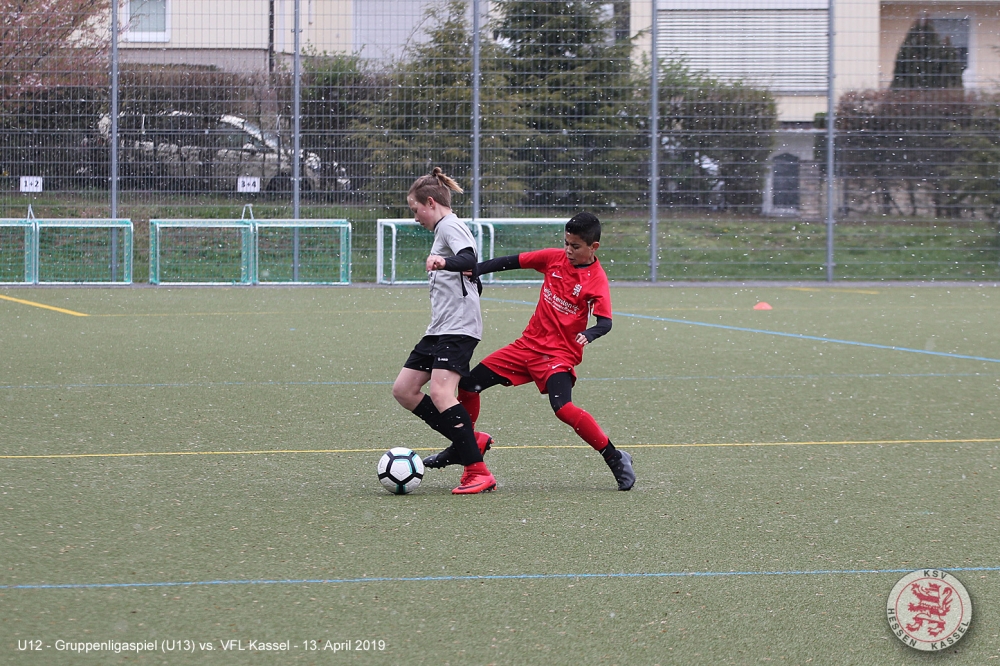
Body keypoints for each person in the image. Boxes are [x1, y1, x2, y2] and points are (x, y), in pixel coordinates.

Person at [423, 212, 635, 491]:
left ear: (593, 247)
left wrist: (590, 333)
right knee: (469, 385)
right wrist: (477, 269)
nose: (568, 251)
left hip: (558, 356)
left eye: (575, 246)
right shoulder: (553, 259)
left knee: (563, 409)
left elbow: (605, 322)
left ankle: (615, 457)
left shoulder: (596, 279)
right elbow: (512, 261)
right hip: (525, 347)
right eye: (566, 244)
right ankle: (466, 445)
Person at [391, 168, 497, 495]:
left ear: (430, 202)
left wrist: (443, 263)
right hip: (440, 329)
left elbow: (468, 258)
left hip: (458, 328)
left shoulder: (450, 225)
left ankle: (478, 471)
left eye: (415, 209)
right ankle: (470, 440)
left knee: (440, 393)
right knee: (404, 390)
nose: (415, 217)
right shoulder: (442, 231)